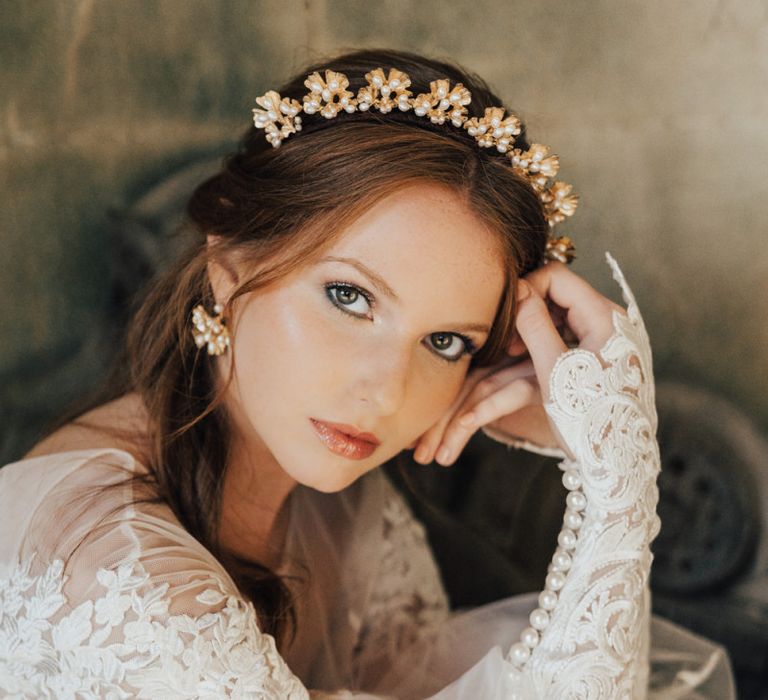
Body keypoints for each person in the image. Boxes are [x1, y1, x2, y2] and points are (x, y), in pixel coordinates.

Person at [0, 48, 735, 698]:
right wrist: (617, 484)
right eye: (349, 298)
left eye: (445, 342)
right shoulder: (114, 565)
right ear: (227, 268)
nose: (386, 393)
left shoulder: (341, 511)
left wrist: (599, 446)